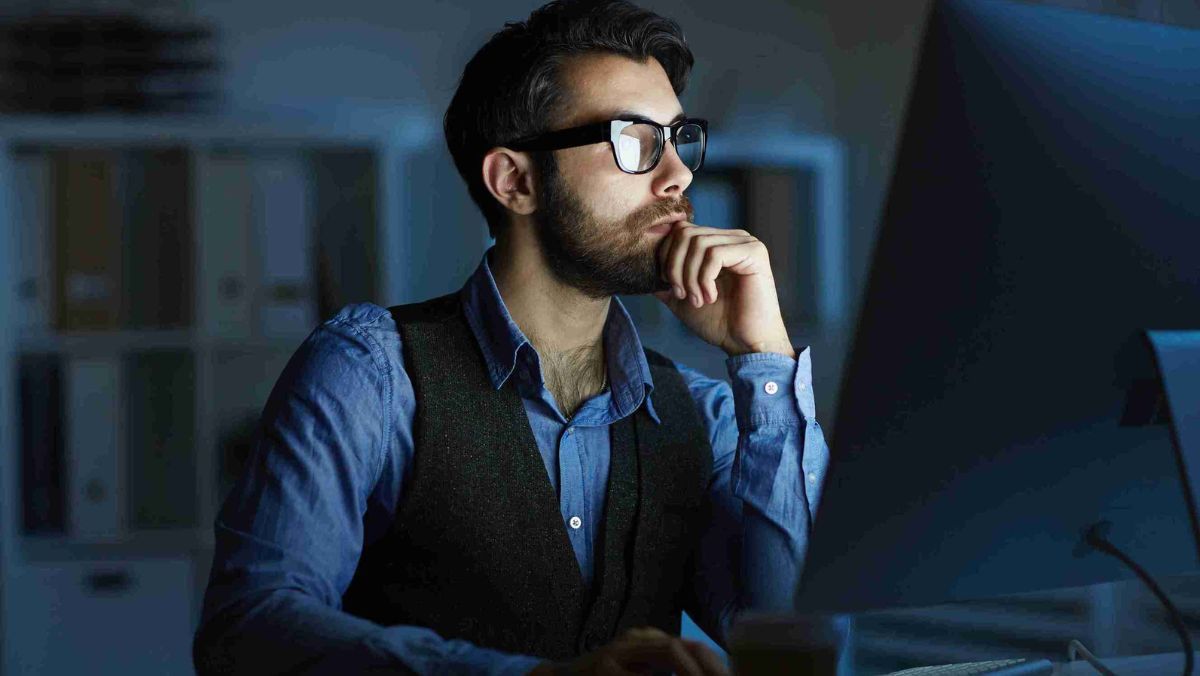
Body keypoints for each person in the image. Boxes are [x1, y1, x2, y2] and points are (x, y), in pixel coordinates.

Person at [192, 1, 830, 674]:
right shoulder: (370, 372)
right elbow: (248, 627)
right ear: (515, 180)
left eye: (679, 139)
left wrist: (765, 357)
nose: (679, 176)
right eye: (636, 141)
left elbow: (796, 643)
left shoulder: (707, 414)